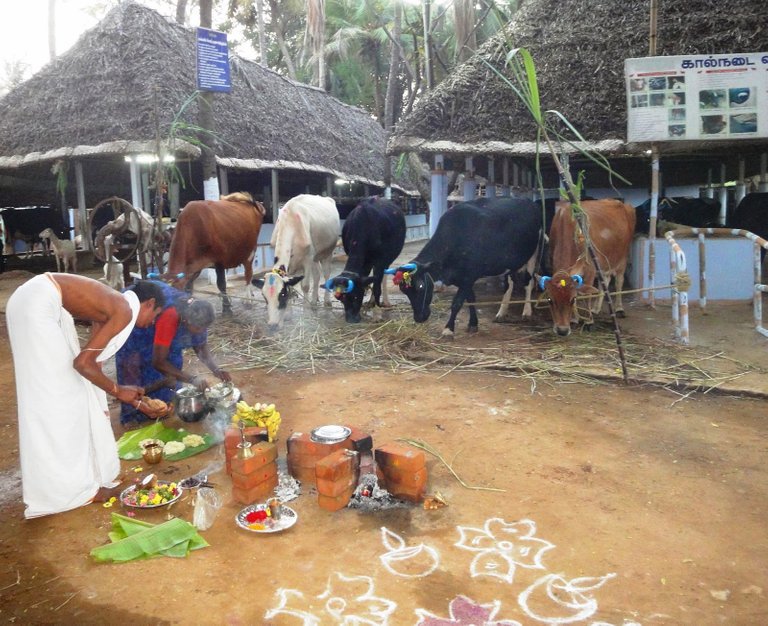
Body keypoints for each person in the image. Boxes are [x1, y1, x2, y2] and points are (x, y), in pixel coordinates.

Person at [6, 274, 166, 519]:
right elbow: (83, 364)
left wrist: (133, 400)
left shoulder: (112, 306)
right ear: (149, 303)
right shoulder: (123, 309)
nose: (152, 323)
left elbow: (94, 368)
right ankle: (70, 490)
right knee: (63, 396)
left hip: (28, 300)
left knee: (63, 391)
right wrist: (118, 391)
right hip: (38, 303)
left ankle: (74, 482)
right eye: (155, 316)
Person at [116, 282, 231, 427]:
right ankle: (131, 414)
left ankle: (162, 407)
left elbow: (201, 346)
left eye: (204, 328)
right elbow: (158, 361)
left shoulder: (199, 313)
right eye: (198, 328)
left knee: (173, 366)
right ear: (186, 321)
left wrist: (216, 370)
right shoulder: (170, 315)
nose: (201, 331)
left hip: (160, 325)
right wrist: (192, 378)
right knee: (132, 364)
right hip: (137, 323)